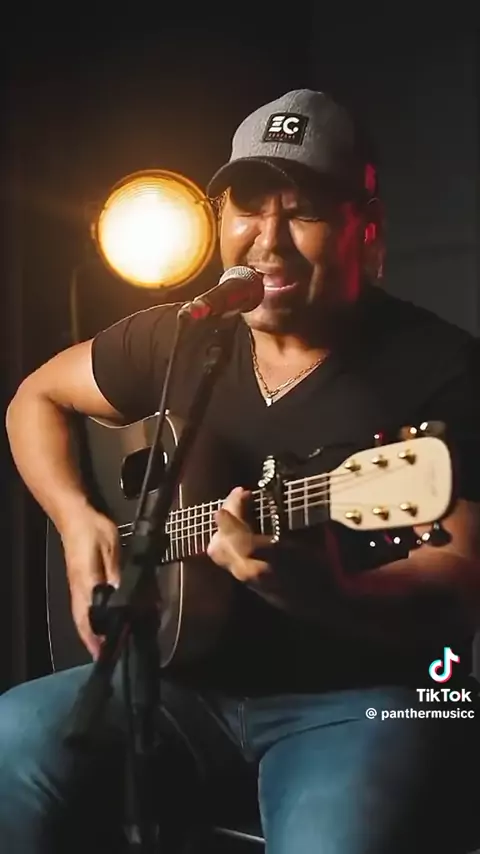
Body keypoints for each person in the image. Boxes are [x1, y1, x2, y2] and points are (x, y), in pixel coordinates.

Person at [3, 88, 480, 854]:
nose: (269, 241)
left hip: (358, 699)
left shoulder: (443, 369)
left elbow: (459, 583)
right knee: (10, 742)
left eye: (305, 212)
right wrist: (76, 518)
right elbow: (36, 398)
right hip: (176, 684)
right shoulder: (186, 336)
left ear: (367, 227)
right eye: (248, 208)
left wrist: (325, 590)